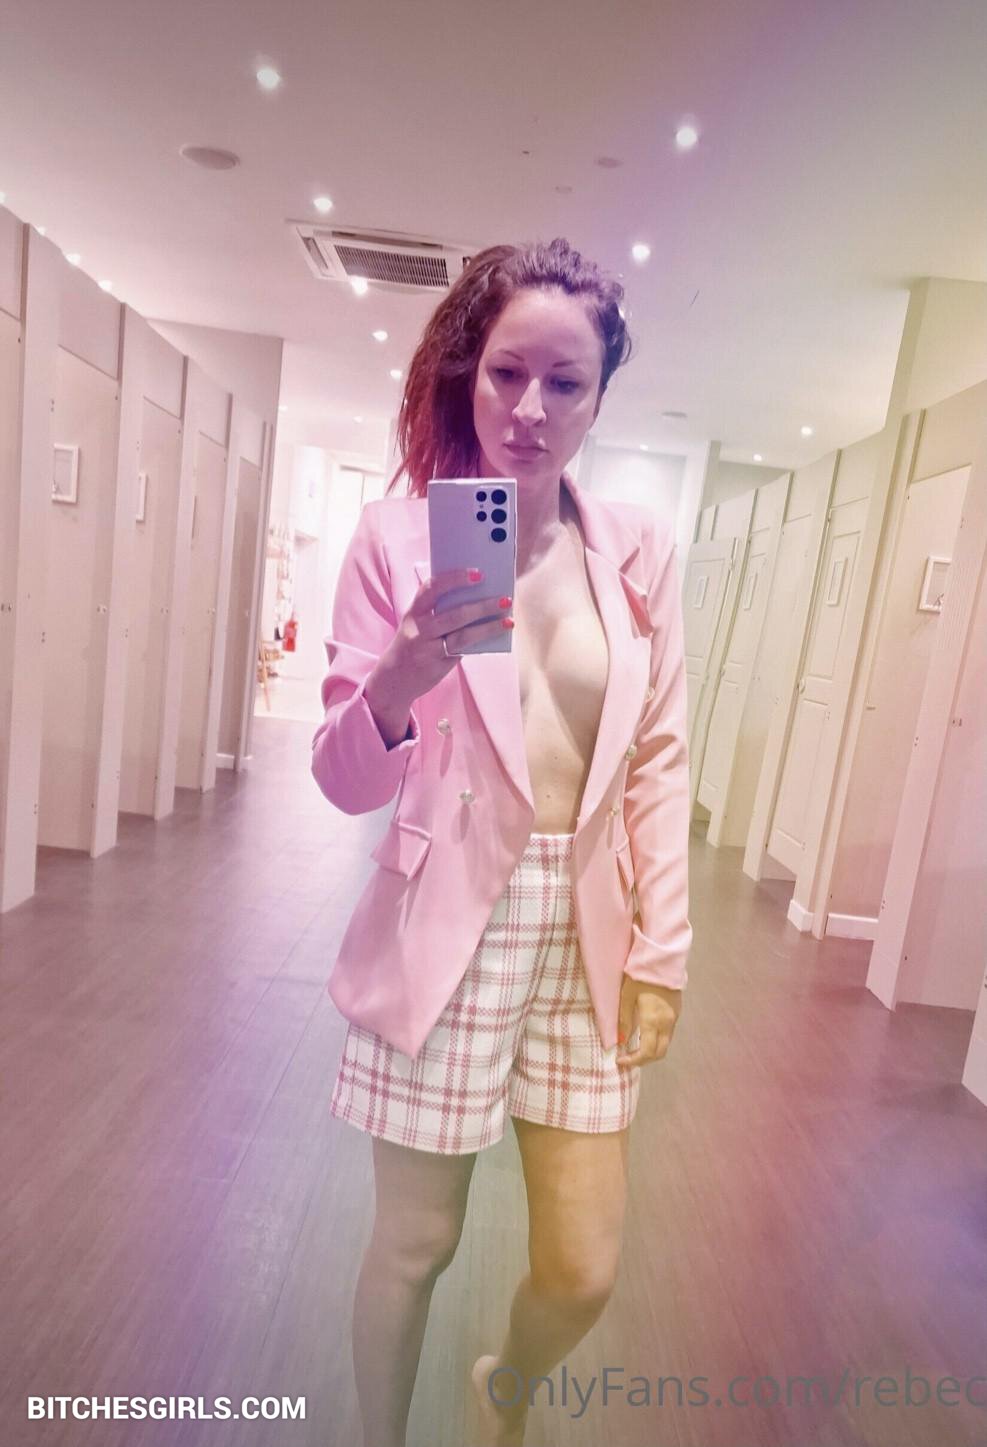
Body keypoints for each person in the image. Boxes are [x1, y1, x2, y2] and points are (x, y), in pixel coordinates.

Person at [311, 237, 693, 1447]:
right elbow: (342, 780)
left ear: (599, 397)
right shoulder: (403, 539)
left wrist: (666, 949)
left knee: (582, 1268)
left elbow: (660, 755)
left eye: (564, 382)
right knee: (414, 1245)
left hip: (588, 928)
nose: (530, 408)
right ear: (468, 376)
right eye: (507, 373)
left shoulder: (636, 550)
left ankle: (503, 1393)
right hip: (447, 920)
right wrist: (399, 673)